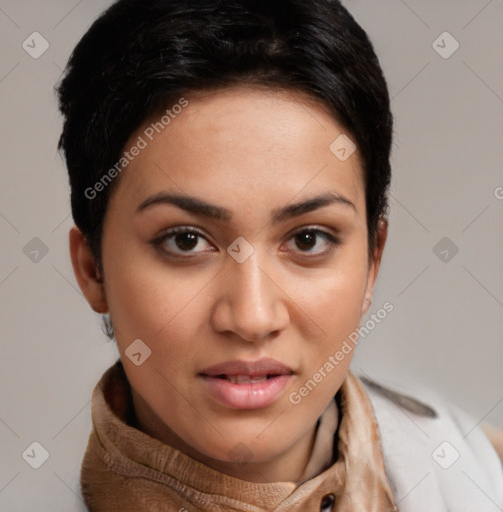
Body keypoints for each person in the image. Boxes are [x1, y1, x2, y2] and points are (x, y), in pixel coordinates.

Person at [55, 0, 503, 510]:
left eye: (308, 239)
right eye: (185, 240)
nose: (251, 317)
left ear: (372, 260)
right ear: (93, 267)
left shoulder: (480, 479)